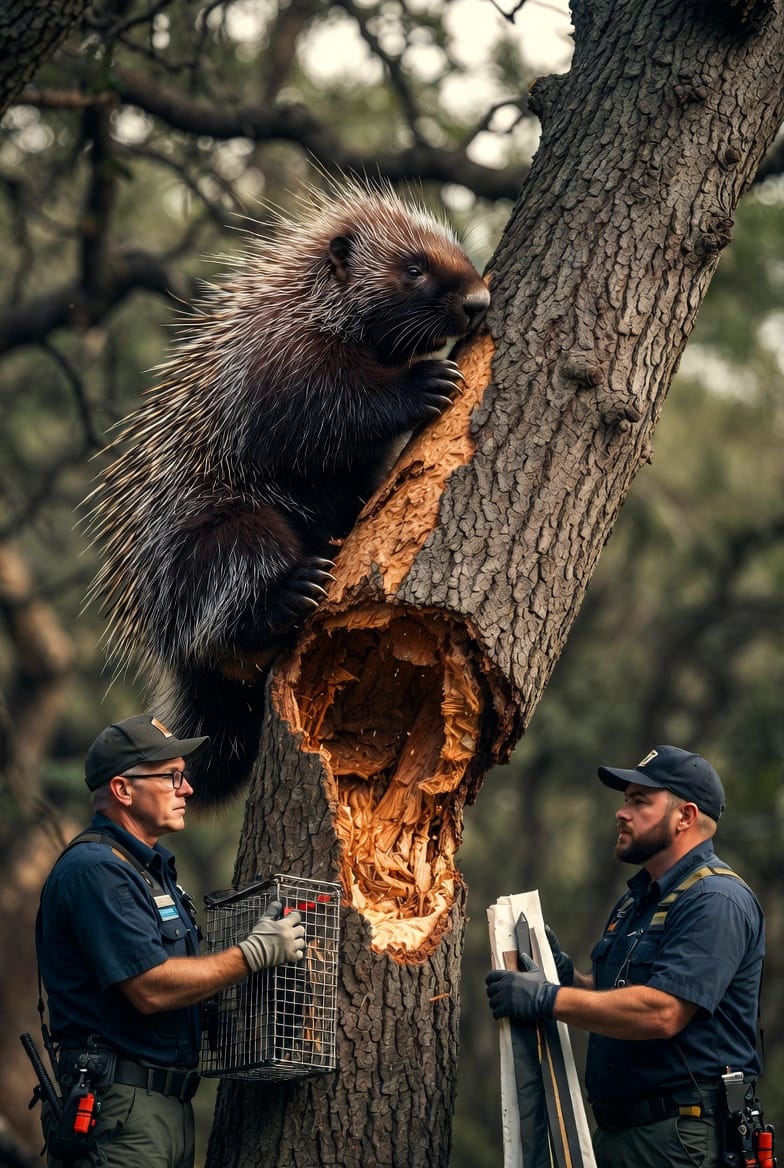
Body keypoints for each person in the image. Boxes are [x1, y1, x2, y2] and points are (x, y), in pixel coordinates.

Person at [35, 713, 306, 1168]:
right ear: (123, 790)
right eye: (171, 777)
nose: (188, 789)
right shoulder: (97, 871)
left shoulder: (148, 870)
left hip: (164, 1111)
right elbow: (150, 987)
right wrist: (252, 954)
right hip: (122, 1115)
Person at [485, 745, 766, 1168]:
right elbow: (616, 995)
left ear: (685, 816)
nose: (622, 812)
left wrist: (548, 998)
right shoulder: (638, 899)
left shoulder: (715, 899)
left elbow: (663, 1012)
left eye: (639, 801)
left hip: (680, 1138)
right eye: (625, 800)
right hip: (622, 1134)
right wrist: (568, 978)